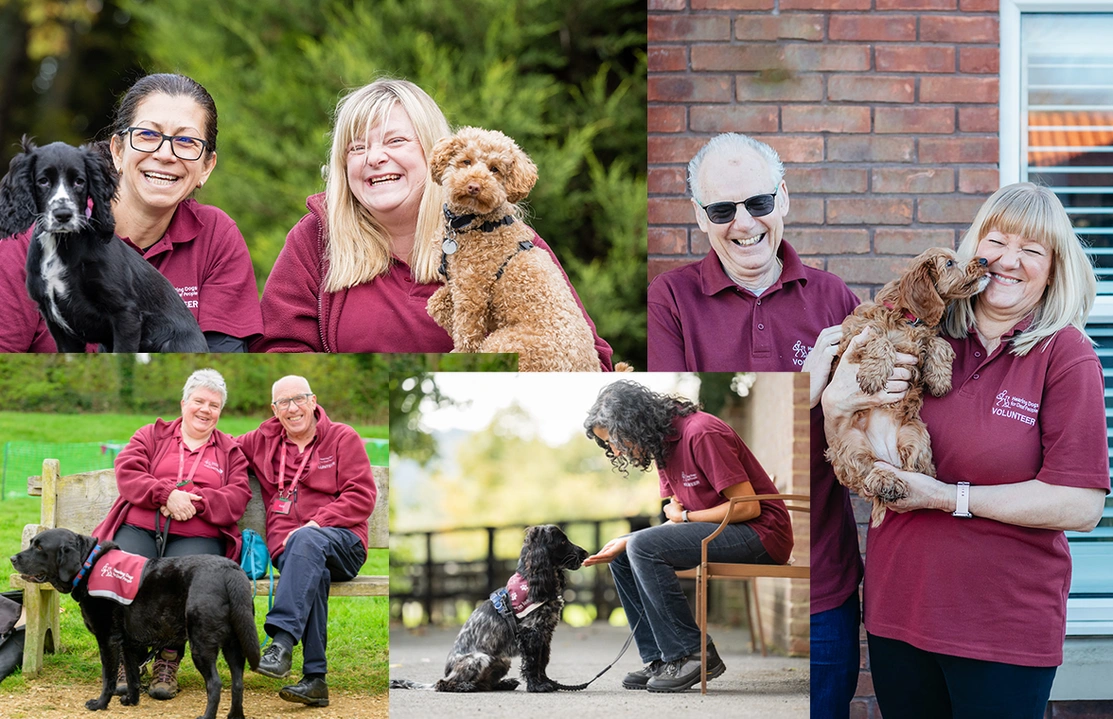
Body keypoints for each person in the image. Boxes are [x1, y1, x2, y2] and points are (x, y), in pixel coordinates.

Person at [822, 183, 1109, 719]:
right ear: (974, 249)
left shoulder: (1065, 356)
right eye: (997, 241)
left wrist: (946, 496)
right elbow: (855, 454)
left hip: (1002, 629)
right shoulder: (926, 334)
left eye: (1032, 250)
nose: (1009, 261)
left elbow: (1081, 505)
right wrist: (837, 406)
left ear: (1054, 268)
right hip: (898, 615)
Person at [645, 132, 865, 716]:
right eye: (722, 210)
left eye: (758, 203)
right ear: (700, 217)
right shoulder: (670, 300)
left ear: (784, 198)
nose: (744, 223)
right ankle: (672, 655)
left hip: (828, 574)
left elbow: (865, 429)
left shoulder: (833, 297)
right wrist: (812, 385)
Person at [252, 78, 613, 367]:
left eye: (395, 141)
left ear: (436, 154)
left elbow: (587, 351)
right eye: (357, 147)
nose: (376, 157)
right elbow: (278, 352)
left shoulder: (504, 239)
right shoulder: (315, 236)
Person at [1, 73, 263, 352]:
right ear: (117, 151)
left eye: (186, 141)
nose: (165, 154)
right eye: (148, 135)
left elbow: (220, 367)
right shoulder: (27, 243)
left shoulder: (215, 235)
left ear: (207, 167)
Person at [581, 380, 793, 693]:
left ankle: (692, 654)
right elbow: (677, 519)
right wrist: (627, 540)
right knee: (625, 554)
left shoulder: (701, 432)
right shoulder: (662, 447)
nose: (614, 449)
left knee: (641, 544)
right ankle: (662, 659)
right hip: (721, 531)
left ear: (632, 422)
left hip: (761, 534)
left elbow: (747, 507)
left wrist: (685, 518)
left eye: (613, 439)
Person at [92, 368, 251, 701]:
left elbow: (238, 496)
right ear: (184, 402)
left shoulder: (230, 450)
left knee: (187, 583)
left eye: (214, 405)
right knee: (119, 572)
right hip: (140, 525)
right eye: (200, 401)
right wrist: (166, 494)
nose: (206, 410)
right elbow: (129, 472)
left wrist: (198, 502)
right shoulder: (152, 434)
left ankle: (168, 661)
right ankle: (127, 659)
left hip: (198, 532)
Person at [237, 375, 377, 707]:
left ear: (313, 401)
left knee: (308, 541)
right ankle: (315, 680)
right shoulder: (261, 440)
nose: (293, 408)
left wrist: (318, 522)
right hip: (290, 549)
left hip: (343, 542)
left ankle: (281, 644)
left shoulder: (343, 437)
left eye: (299, 399)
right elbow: (219, 443)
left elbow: (362, 496)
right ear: (274, 410)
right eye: (284, 402)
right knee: (313, 570)